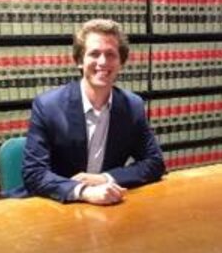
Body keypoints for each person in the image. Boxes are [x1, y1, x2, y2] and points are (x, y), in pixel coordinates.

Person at [20, 19, 165, 205]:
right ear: (79, 61)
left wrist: (105, 178)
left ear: (121, 62)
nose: (103, 62)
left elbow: (154, 163)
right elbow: (34, 173)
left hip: (109, 207)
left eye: (111, 54)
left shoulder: (132, 106)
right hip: (56, 205)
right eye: (94, 54)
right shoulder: (48, 106)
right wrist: (84, 191)